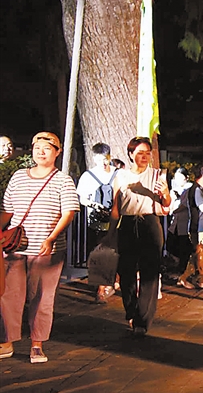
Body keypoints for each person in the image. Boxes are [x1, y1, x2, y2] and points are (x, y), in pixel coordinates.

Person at [0, 132, 79, 363]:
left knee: (42, 296)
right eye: (37, 148)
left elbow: (68, 213)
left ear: (57, 152)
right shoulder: (18, 177)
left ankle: (37, 344)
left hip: (46, 250)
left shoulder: (63, 180)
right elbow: (7, 211)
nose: (41, 152)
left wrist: (51, 238)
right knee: (8, 295)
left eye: (47, 148)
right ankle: (7, 341)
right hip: (15, 247)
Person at [106, 137, 171, 337]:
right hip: (127, 223)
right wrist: (111, 232)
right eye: (140, 153)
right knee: (126, 272)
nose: (144, 156)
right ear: (130, 154)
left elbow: (166, 204)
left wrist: (165, 193)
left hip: (149, 222)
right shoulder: (121, 176)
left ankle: (142, 320)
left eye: (147, 153)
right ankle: (131, 309)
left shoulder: (157, 175)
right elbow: (116, 207)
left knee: (150, 272)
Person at [76, 143, 117, 304]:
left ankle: (108, 284)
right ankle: (101, 287)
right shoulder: (88, 176)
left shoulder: (118, 174)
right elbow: (82, 197)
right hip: (96, 222)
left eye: (106, 159)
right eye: (100, 159)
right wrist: (94, 205)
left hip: (115, 221)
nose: (103, 163)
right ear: (94, 158)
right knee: (99, 252)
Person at [177, 165, 203, 289]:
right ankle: (202, 279)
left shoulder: (202, 189)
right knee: (201, 255)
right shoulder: (196, 190)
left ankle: (185, 277)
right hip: (199, 227)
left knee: (199, 255)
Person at [166, 167, 193, 278]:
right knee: (170, 244)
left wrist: (174, 210)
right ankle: (178, 266)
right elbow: (170, 205)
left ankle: (183, 270)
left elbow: (185, 205)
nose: (178, 180)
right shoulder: (174, 189)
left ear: (186, 178)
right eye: (176, 178)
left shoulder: (189, 188)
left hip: (184, 222)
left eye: (180, 177)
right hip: (175, 222)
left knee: (183, 246)